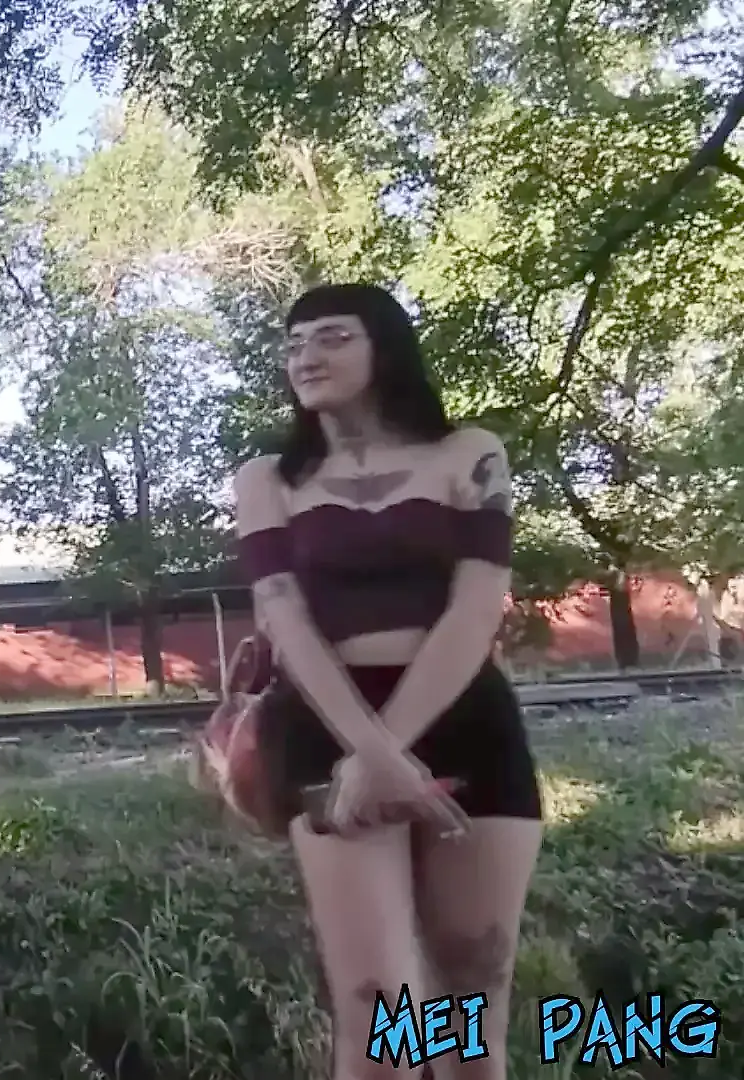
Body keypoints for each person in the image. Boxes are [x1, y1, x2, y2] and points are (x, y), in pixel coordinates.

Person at [232, 284, 542, 1080]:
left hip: (466, 721)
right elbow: (284, 616)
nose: (306, 356)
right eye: (295, 343)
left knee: (470, 1015)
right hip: (326, 731)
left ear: (386, 348)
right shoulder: (266, 479)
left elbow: (476, 610)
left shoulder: (468, 453)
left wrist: (387, 750)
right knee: (382, 1025)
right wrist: (369, 753)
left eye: (332, 337)